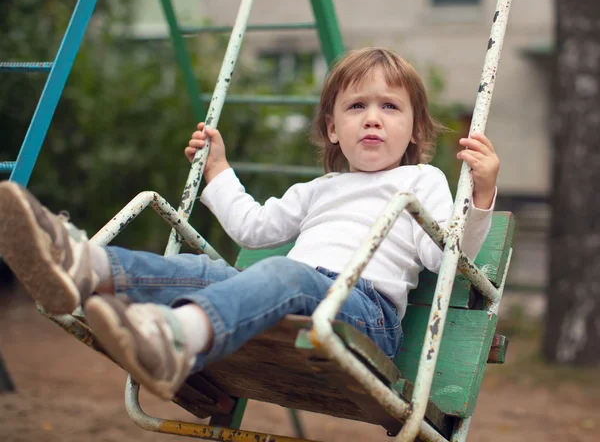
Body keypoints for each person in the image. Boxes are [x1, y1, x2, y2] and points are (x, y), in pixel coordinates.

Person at [0, 47, 499, 401]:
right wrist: (218, 170)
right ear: (332, 128)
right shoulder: (318, 190)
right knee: (205, 270)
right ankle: (82, 265)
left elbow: (445, 257)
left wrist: (479, 194)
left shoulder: (423, 180)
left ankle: (174, 339)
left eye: (390, 107)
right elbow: (253, 229)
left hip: (365, 314)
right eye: (356, 107)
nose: (372, 118)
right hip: (300, 298)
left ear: (413, 127)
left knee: (286, 273)